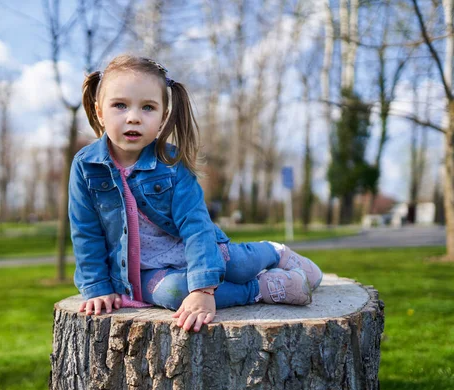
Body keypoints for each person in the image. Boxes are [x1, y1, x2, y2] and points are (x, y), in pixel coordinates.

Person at [69, 54, 323, 333]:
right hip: (143, 272)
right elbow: (85, 231)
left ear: (163, 117)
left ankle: (273, 253)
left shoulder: (171, 164)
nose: (133, 118)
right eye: (120, 105)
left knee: (237, 267)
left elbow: (196, 225)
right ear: (100, 112)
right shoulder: (86, 166)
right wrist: (97, 287)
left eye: (148, 108)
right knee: (175, 294)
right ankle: (264, 287)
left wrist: (203, 288)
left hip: (198, 250)